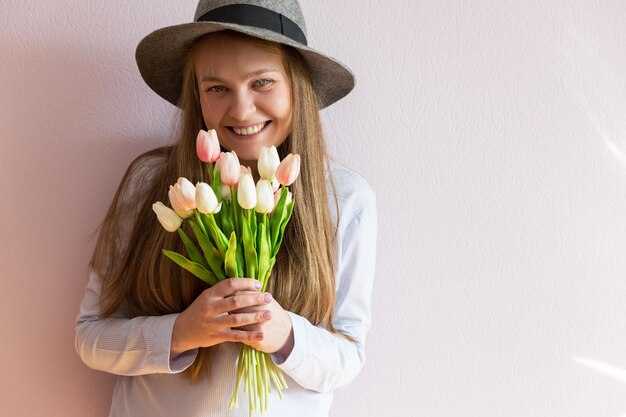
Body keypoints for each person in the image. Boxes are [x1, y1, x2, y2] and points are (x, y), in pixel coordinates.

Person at [74, 1, 377, 416]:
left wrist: (287, 334)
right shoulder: (152, 183)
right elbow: (91, 337)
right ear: (196, 96)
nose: (241, 110)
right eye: (217, 88)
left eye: (262, 82)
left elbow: (349, 355)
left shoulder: (344, 198)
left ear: (297, 85)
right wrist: (180, 332)